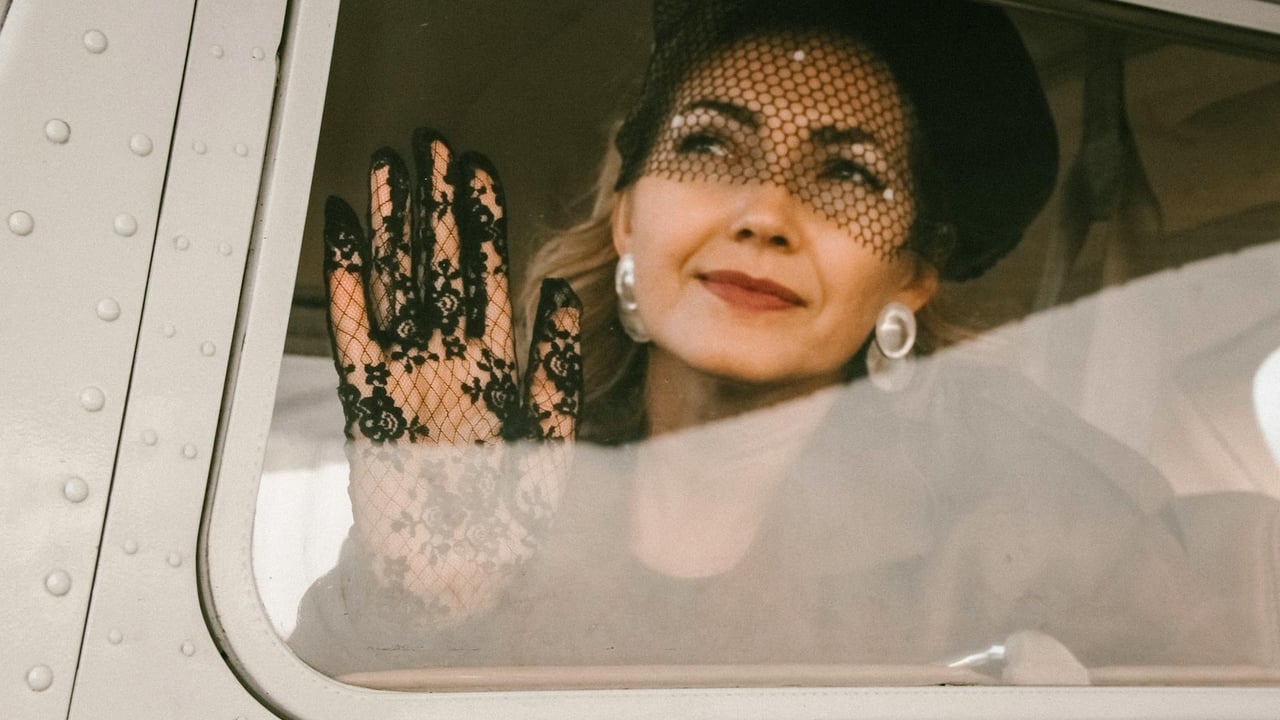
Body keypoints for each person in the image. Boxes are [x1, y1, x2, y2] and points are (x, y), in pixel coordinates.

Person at [289, 0, 1259, 681]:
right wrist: (406, 615)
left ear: (910, 275)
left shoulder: (1027, 515)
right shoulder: (493, 484)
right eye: (709, 145)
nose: (763, 216)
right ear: (626, 217)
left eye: (849, 176)